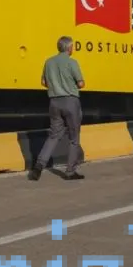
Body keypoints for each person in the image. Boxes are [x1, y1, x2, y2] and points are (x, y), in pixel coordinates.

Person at [28, 36, 85, 181]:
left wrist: (55, 86)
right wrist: (71, 85)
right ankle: (70, 171)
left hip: (54, 102)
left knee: (54, 136)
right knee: (74, 138)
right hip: (70, 101)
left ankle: (38, 167)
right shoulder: (72, 62)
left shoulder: (49, 62)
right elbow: (81, 83)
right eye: (72, 46)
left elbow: (43, 82)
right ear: (69, 48)